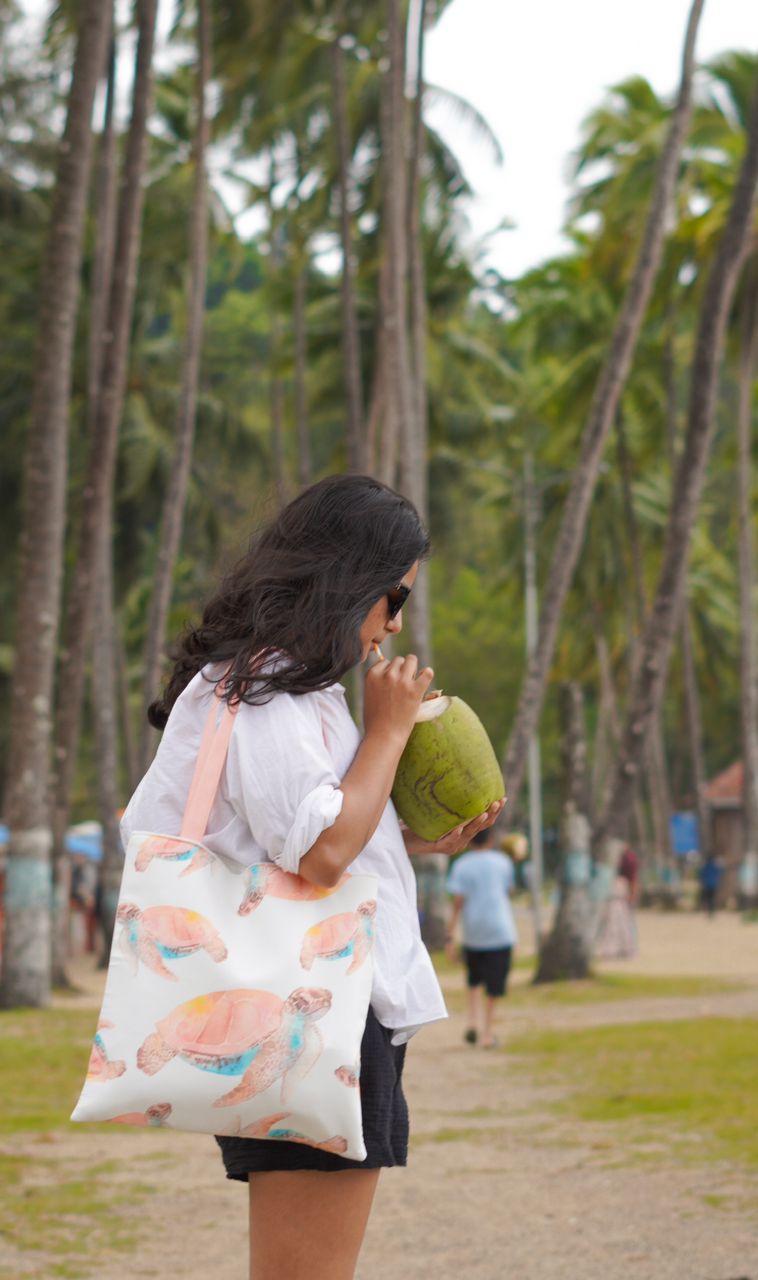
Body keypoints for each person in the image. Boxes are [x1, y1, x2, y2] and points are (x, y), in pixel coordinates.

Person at [120, 475, 505, 1280]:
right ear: (347, 579)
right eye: (392, 597)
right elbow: (322, 854)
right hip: (309, 1015)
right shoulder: (263, 688)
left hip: (323, 1004)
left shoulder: (296, 692)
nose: (393, 624)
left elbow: (324, 841)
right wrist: (390, 730)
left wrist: (414, 841)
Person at [445, 827, 517, 1049]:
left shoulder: (461, 865)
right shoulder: (504, 862)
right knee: (494, 986)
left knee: (474, 980)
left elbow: (458, 901)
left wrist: (450, 934)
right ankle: (488, 1032)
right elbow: (509, 891)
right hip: (500, 930)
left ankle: (472, 1022)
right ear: (492, 840)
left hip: (473, 931)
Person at [698, 853, 723, 917]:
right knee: (712, 899)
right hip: (713, 885)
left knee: (707, 899)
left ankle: (707, 911)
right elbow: (719, 873)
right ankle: (711, 911)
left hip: (707, 885)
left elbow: (702, 876)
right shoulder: (715, 867)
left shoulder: (705, 867)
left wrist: (702, 883)